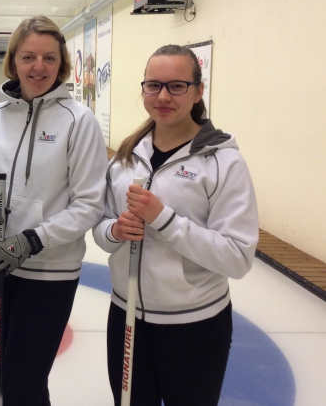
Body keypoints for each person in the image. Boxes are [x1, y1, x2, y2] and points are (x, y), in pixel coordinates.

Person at [93, 44, 259, 406]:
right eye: (153, 85)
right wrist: (115, 231)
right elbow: (102, 229)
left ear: (198, 91)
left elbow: (237, 257)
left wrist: (164, 219)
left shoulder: (224, 163)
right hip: (126, 315)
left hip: (194, 325)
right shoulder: (125, 157)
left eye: (177, 86)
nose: (163, 96)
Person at [0, 15, 108, 406]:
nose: (38, 67)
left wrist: (33, 240)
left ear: (61, 64)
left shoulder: (79, 122)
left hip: (49, 272)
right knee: (10, 371)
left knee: (23, 379)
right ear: (13, 60)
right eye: (28, 57)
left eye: (49, 58)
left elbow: (89, 204)